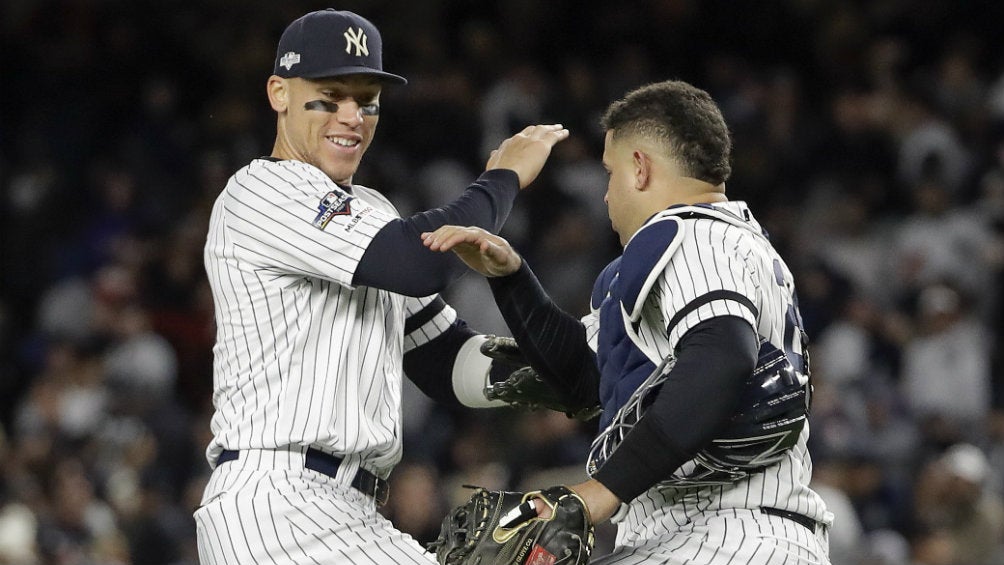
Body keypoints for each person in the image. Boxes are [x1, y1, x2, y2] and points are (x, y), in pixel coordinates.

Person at [193, 9, 568, 564]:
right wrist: (503, 178)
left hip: (351, 511)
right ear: (279, 93)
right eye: (330, 96)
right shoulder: (260, 191)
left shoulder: (370, 213)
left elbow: (444, 361)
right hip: (275, 502)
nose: (352, 117)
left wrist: (565, 375)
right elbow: (416, 264)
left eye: (366, 100)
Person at [422, 80, 834, 563]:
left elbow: (722, 355)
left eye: (609, 173)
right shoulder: (709, 247)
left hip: (724, 532)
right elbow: (585, 377)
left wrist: (598, 493)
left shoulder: (691, 233)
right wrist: (511, 278)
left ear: (639, 168)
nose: (605, 196)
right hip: (704, 536)